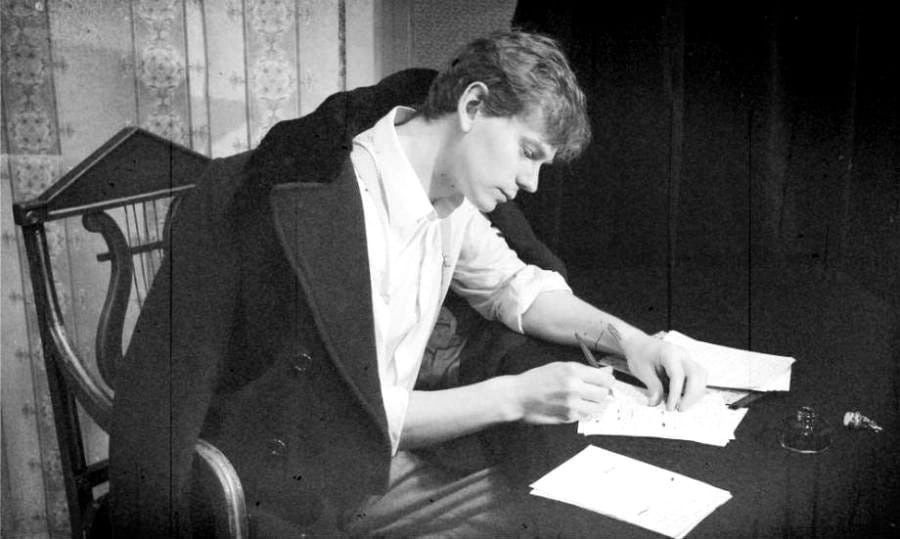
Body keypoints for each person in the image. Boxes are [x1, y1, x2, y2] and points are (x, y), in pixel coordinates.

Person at [109, 30, 707, 537]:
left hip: (379, 458)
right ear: (473, 105)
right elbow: (353, 413)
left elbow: (515, 288)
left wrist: (631, 341)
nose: (531, 183)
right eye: (528, 152)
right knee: (548, 516)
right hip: (295, 485)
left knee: (560, 499)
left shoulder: (449, 198)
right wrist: (517, 396)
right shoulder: (329, 196)